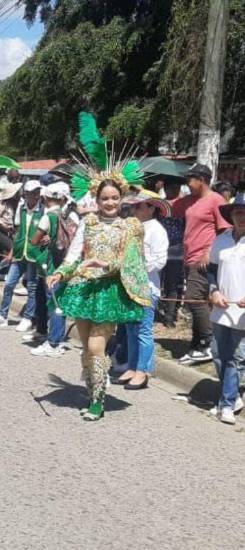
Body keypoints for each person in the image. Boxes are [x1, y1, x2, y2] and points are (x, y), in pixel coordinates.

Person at [46, 111, 151, 421]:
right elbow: (74, 254)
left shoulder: (131, 227)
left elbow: (135, 263)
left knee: (95, 348)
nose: (110, 202)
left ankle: (97, 400)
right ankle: (93, 383)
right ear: (97, 198)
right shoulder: (88, 222)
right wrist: (60, 272)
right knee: (86, 349)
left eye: (114, 197)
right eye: (105, 198)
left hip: (109, 292)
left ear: (122, 197)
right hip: (83, 288)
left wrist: (106, 264)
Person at [172, 163, 229, 365]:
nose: (187, 183)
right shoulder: (189, 201)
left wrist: (209, 251)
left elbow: (225, 229)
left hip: (203, 259)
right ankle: (197, 344)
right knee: (198, 301)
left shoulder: (216, 200)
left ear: (202, 180)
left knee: (194, 298)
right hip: (188, 257)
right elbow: (170, 208)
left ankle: (208, 342)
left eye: (190, 179)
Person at [113, 191, 170, 389]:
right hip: (129, 286)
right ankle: (132, 366)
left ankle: (143, 370)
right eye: (134, 206)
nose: (135, 209)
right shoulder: (133, 227)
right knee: (131, 329)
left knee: (144, 330)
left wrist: (135, 267)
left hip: (146, 286)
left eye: (139, 206)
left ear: (151, 208)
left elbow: (160, 260)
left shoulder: (157, 230)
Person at [0, 180, 44, 332]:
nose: (34, 196)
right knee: (9, 284)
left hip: (34, 254)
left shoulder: (43, 211)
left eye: (36, 192)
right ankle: (2, 315)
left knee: (31, 287)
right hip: (19, 252)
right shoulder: (21, 208)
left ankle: (27, 318)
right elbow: (18, 231)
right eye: (30, 193)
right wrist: (12, 251)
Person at [207, 192, 245, 425]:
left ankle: (227, 403)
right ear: (231, 215)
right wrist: (214, 291)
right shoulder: (221, 239)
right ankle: (232, 396)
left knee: (236, 358)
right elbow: (211, 270)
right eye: (238, 212)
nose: (242, 217)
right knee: (218, 353)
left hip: (242, 314)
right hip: (221, 308)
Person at [30, 181, 74, 357]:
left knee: (54, 303)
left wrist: (44, 238)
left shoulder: (48, 216)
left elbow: (34, 240)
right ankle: (57, 338)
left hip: (51, 265)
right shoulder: (69, 216)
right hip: (66, 264)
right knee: (59, 302)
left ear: (46, 198)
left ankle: (54, 342)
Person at [159, 180, 185, 327]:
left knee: (173, 283)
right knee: (157, 282)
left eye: (177, 187)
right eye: (171, 187)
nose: (174, 189)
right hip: (159, 249)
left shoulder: (183, 205)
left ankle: (169, 316)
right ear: (165, 188)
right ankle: (157, 309)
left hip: (176, 249)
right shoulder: (159, 205)